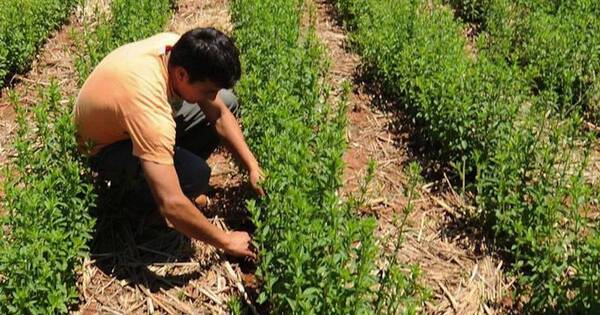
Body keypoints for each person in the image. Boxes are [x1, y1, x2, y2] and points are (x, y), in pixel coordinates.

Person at [74, 27, 262, 259]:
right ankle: (138, 206)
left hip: (126, 123)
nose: (211, 97)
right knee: (195, 175)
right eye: (208, 90)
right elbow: (171, 203)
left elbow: (221, 115)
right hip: (103, 150)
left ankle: (168, 167)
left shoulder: (176, 48)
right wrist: (226, 241)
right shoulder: (149, 108)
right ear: (181, 75)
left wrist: (253, 167)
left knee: (227, 102)